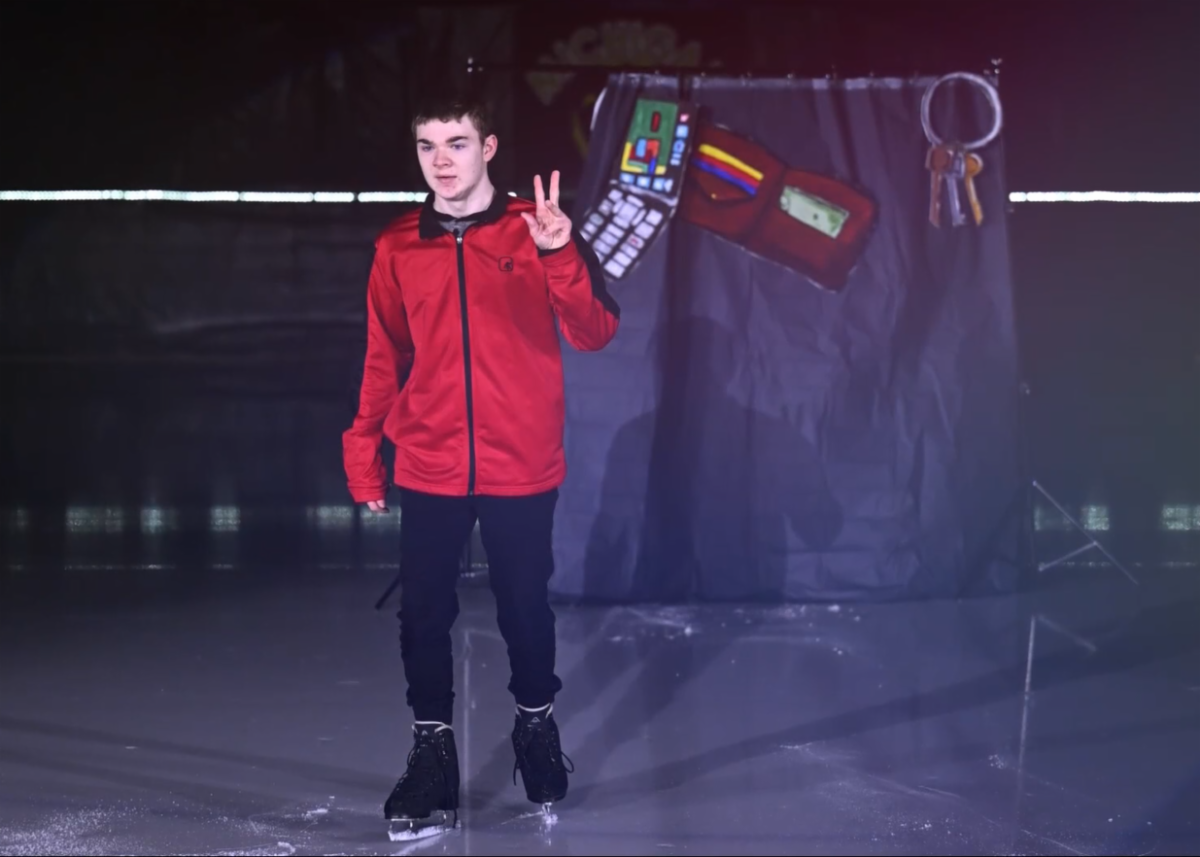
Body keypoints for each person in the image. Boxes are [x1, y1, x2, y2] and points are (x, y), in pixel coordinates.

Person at [341, 91, 620, 831]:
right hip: (428, 458)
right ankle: (431, 754)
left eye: (457, 143)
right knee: (423, 612)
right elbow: (382, 356)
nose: (441, 160)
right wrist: (364, 451)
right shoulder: (398, 246)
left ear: (488, 147)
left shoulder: (538, 227)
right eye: (427, 145)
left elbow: (593, 332)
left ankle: (536, 724)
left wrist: (559, 254)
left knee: (524, 605)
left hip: (519, 461)